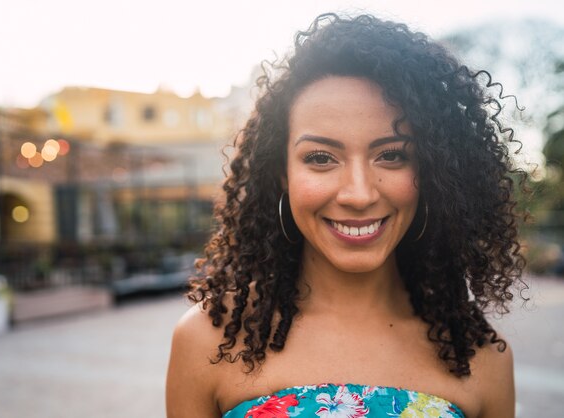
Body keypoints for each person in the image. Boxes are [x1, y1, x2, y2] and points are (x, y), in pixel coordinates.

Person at [166, 12, 525, 418]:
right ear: (282, 174)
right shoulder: (208, 342)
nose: (358, 194)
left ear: (431, 173)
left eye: (391, 155)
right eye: (321, 158)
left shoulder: (479, 356)